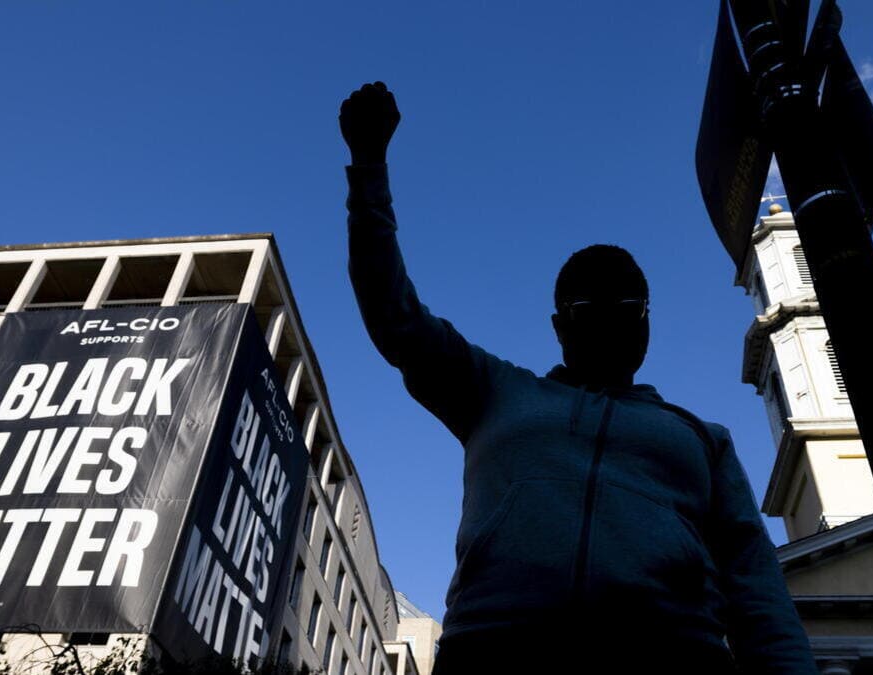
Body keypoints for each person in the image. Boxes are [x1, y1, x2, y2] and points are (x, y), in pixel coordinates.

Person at [339, 81, 818, 674]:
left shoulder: (702, 437)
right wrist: (368, 168)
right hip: (495, 650)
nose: (613, 320)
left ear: (648, 325)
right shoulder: (494, 391)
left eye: (629, 307)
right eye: (590, 309)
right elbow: (394, 315)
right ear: (558, 326)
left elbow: (758, 591)